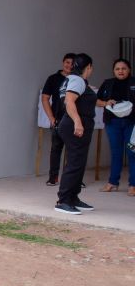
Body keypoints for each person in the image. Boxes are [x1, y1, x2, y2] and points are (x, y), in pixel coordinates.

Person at [54, 53, 96, 215]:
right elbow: (69, 101)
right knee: (74, 162)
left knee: (79, 162)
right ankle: (63, 200)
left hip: (76, 124)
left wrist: (105, 103)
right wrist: (78, 122)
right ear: (89, 67)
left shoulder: (75, 80)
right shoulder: (77, 80)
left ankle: (73, 197)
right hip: (74, 124)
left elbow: (82, 100)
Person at [96, 58, 135, 195]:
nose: (121, 71)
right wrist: (107, 102)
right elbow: (96, 100)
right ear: (113, 71)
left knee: (132, 152)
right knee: (116, 153)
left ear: (129, 70)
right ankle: (113, 183)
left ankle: (133, 185)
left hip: (132, 123)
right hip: (112, 122)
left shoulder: (133, 82)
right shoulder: (107, 83)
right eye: (118, 69)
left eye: (124, 68)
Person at [41, 53, 75, 186]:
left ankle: (73, 179)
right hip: (58, 119)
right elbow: (45, 98)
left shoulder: (77, 79)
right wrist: (51, 118)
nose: (69, 65)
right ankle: (53, 177)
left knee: (73, 151)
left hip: (73, 119)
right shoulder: (53, 78)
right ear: (63, 62)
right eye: (67, 62)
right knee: (56, 149)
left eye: (73, 63)